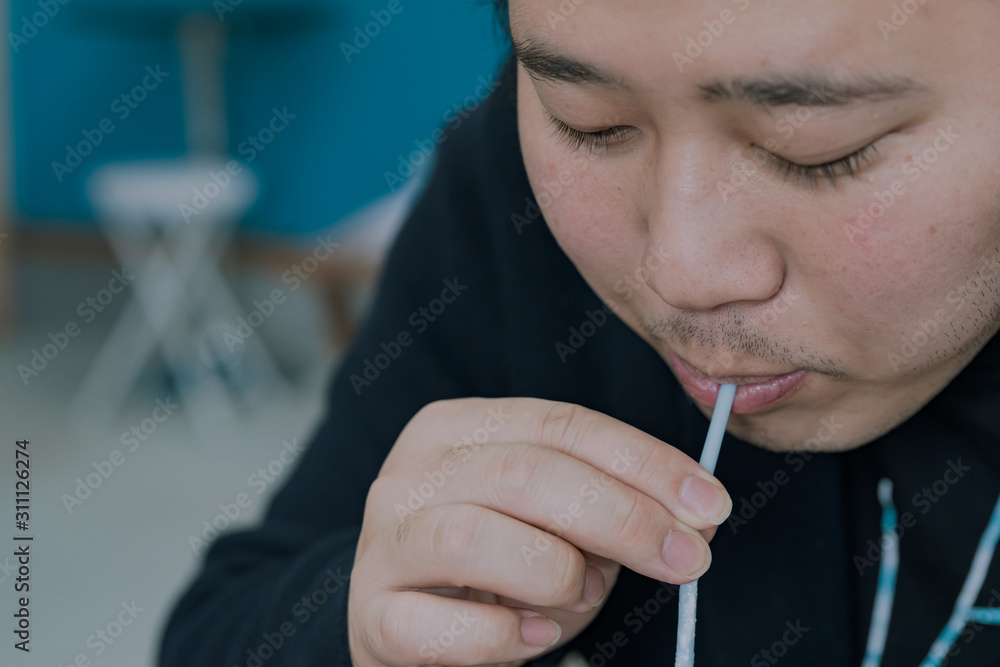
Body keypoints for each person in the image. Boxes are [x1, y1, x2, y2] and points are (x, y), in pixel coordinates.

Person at [159, 0, 1000, 665]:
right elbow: (224, 622)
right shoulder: (508, 199)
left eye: (816, 149)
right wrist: (370, 628)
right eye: (590, 123)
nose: (680, 271)